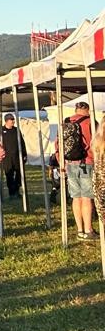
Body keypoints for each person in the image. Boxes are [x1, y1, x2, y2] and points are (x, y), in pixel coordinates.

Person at [61, 100, 96, 240]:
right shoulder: (89, 122)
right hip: (86, 162)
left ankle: (80, 229)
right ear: (87, 109)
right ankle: (88, 230)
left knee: (76, 197)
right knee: (87, 197)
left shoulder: (66, 122)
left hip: (70, 163)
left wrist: (61, 161)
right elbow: (96, 142)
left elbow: (59, 143)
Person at [0, 112, 27, 200]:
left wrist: (24, 154)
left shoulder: (16, 130)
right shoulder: (0, 130)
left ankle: (16, 189)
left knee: (19, 173)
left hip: (17, 155)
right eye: (11, 120)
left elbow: (22, 142)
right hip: (7, 157)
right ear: (6, 121)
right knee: (9, 174)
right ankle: (11, 193)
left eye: (13, 119)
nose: (13, 121)